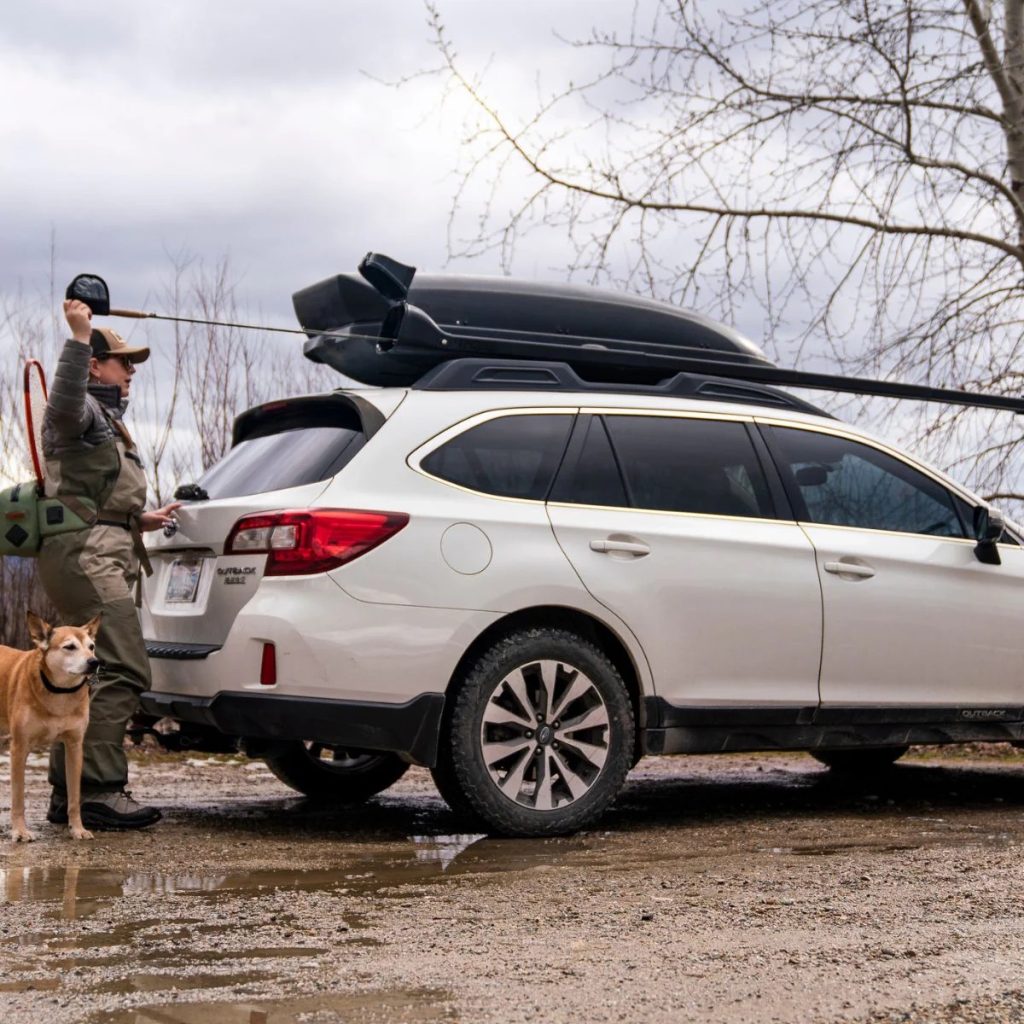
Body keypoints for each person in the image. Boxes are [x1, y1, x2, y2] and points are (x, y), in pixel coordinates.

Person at [39, 298, 180, 829]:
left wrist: (138, 520)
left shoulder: (110, 424)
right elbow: (63, 403)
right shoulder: (82, 413)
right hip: (86, 558)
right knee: (121, 666)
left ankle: (69, 794)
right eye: (124, 361)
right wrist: (78, 336)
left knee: (87, 673)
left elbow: (96, 496)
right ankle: (98, 790)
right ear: (96, 366)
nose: (132, 371)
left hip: (99, 549)